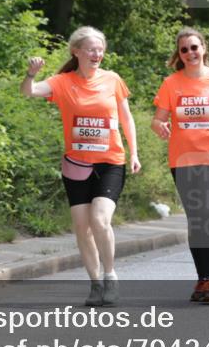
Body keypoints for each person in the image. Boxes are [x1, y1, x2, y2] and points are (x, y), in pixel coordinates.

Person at [21, 26, 140, 307]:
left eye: (100, 49)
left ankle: (110, 276)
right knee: (81, 227)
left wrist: (134, 153)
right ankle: (95, 283)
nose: (97, 54)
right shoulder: (62, 82)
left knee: (100, 219)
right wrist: (31, 74)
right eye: (91, 49)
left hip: (110, 161)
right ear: (77, 51)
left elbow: (127, 118)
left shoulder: (112, 80)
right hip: (76, 164)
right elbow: (29, 92)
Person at [152, 28, 209, 303]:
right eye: (184, 50)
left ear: (203, 48)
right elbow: (157, 119)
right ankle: (203, 279)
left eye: (194, 47)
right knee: (195, 218)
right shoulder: (171, 83)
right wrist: (160, 126)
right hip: (182, 158)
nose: (190, 53)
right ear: (179, 55)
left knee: (205, 210)